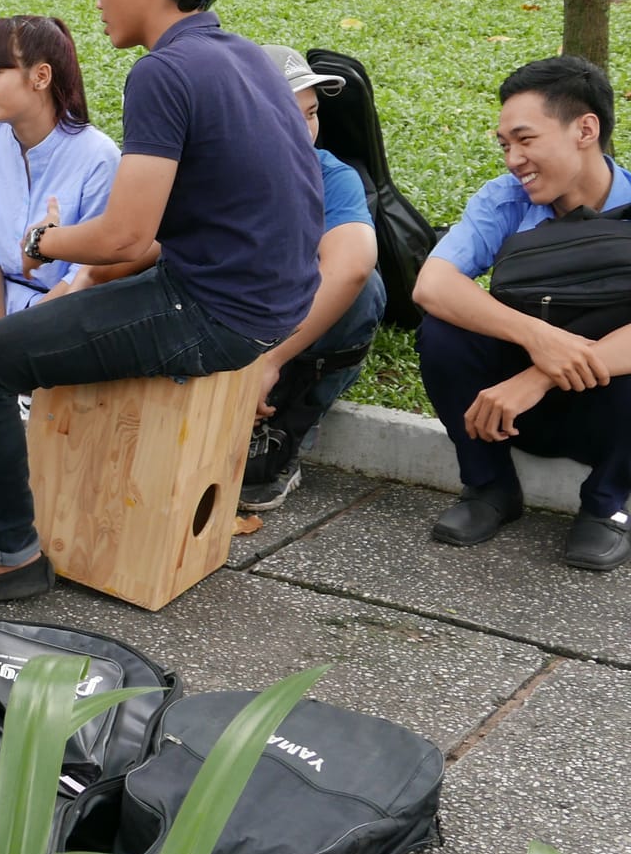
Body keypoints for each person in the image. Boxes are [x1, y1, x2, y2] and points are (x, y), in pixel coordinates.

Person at [0, 0, 323, 602]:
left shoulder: (162, 71)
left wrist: (43, 239)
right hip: (278, 301)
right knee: (61, 324)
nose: (97, 1)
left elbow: (125, 236)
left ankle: (11, 552)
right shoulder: (243, 56)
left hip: (214, 310)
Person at [412, 56, 631, 572]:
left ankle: (606, 507)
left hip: (612, 414)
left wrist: (539, 375)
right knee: (443, 330)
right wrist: (537, 337)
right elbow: (433, 284)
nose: (513, 159)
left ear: (585, 129)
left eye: (525, 139)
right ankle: (489, 488)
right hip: (503, 416)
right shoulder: (505, 200)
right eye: (505, 144)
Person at [239, 47, 386, 511]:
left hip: (299, 334)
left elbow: (353, 265)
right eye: (289, 113)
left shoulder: (332, 176)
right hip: (230, 323)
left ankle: (288, 421)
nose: (306, 129)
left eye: (313, 112)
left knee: (363, 290)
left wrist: (270, 362)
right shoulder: (211, 169)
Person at [0, 14, 121, 316]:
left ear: (41, 76)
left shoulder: (99, 156)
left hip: (62, 310)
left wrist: (20, 331)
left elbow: (85, 270)